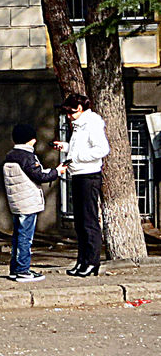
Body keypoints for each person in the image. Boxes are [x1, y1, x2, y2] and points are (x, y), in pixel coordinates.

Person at [53, 93, 110, 277]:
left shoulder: (91, 123)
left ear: (79, 109)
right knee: (80, 222)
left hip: (89, 176)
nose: (68, 116)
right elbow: (82, 148)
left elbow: (102, 149)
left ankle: (92, 261)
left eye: (70, 112)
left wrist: (76, 157)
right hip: (79, 175)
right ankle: (82, 260)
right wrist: (67, 147)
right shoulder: (79, 125)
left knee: (89, 221)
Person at [3, 123, 66, 282]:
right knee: (26, 237)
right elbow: (40, 176)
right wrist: (57, 171)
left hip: (16, 201)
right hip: (28, 202)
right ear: (31, 140)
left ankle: (15, 269)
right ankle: (23, 270)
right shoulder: (27, 156)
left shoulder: (11, 155)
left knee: (18, 236)